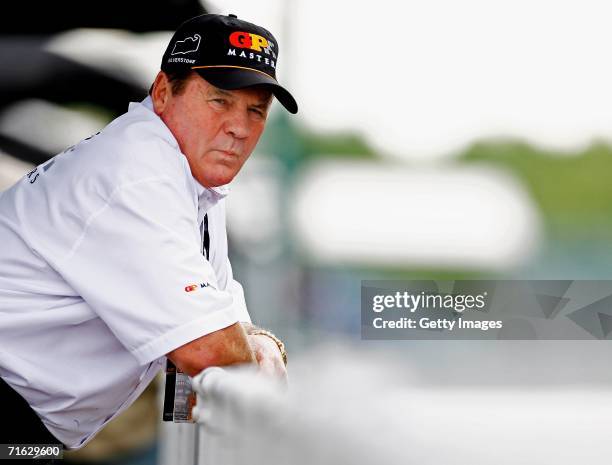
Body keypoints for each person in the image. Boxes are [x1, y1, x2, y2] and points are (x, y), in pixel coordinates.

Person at [0, 13, 296, 454]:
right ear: (162, 91)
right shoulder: (139, 176)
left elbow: (219, 319)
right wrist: (259, 348)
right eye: (219, 100)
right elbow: (208, 349)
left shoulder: (192, 180)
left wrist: (255, 341)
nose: (239, 126)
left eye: (256, 110)